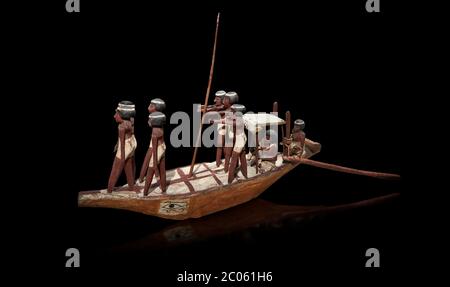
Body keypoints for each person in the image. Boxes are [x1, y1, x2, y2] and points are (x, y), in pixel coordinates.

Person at [108, 101, 137, 193]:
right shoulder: (131, 120)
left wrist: (122, 156)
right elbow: (124, 138)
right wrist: (118, 144)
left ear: (123, 114)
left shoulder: (121, 127)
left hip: (125, 146)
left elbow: (123, 143)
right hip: (132, 142)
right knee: (128, 167)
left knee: (115, 169)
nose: (114, 116)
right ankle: (131, 188)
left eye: (117, 113)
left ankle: (109, 190)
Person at [139, 98, 166, 183]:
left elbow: (152, 126)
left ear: (157, 108)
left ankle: (142, 177)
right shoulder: (158, 117)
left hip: (157, 142)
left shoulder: (157, 118)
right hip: (155, 140)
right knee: (147, 158)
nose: (148, 108)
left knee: (149, 159)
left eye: (151, 106)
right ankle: (141, 177)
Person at [143, 111, 167, 196]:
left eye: (150, 119)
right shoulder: (161, 128)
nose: (148, 121)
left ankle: (145, 193)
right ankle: (164, 189)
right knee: (163, 170)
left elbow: (154, 149)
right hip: (163, 147)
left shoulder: (154, 133)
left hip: (158, 150)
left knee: (150, 171)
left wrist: (155, 165)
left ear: (155, 122)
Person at [227, 104, 248, 183]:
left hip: (240, 140)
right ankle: (245, 174)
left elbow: (230, 122)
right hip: (241, 139)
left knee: (234, 159)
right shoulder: (238, 119)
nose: (231, 112)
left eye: (232, 111)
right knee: (242, 157)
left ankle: (230, 179)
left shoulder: (240, 120)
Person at [222, 91, 239, 172]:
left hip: (234, 135)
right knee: (227, 151)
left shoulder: (234, 110)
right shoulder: (228, 110)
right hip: (229, 134)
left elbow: (232, 122)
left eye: (225, 99)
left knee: (229, 152)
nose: (223, 101)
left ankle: (229, 169)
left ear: (230, 100)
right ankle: (231, 167)